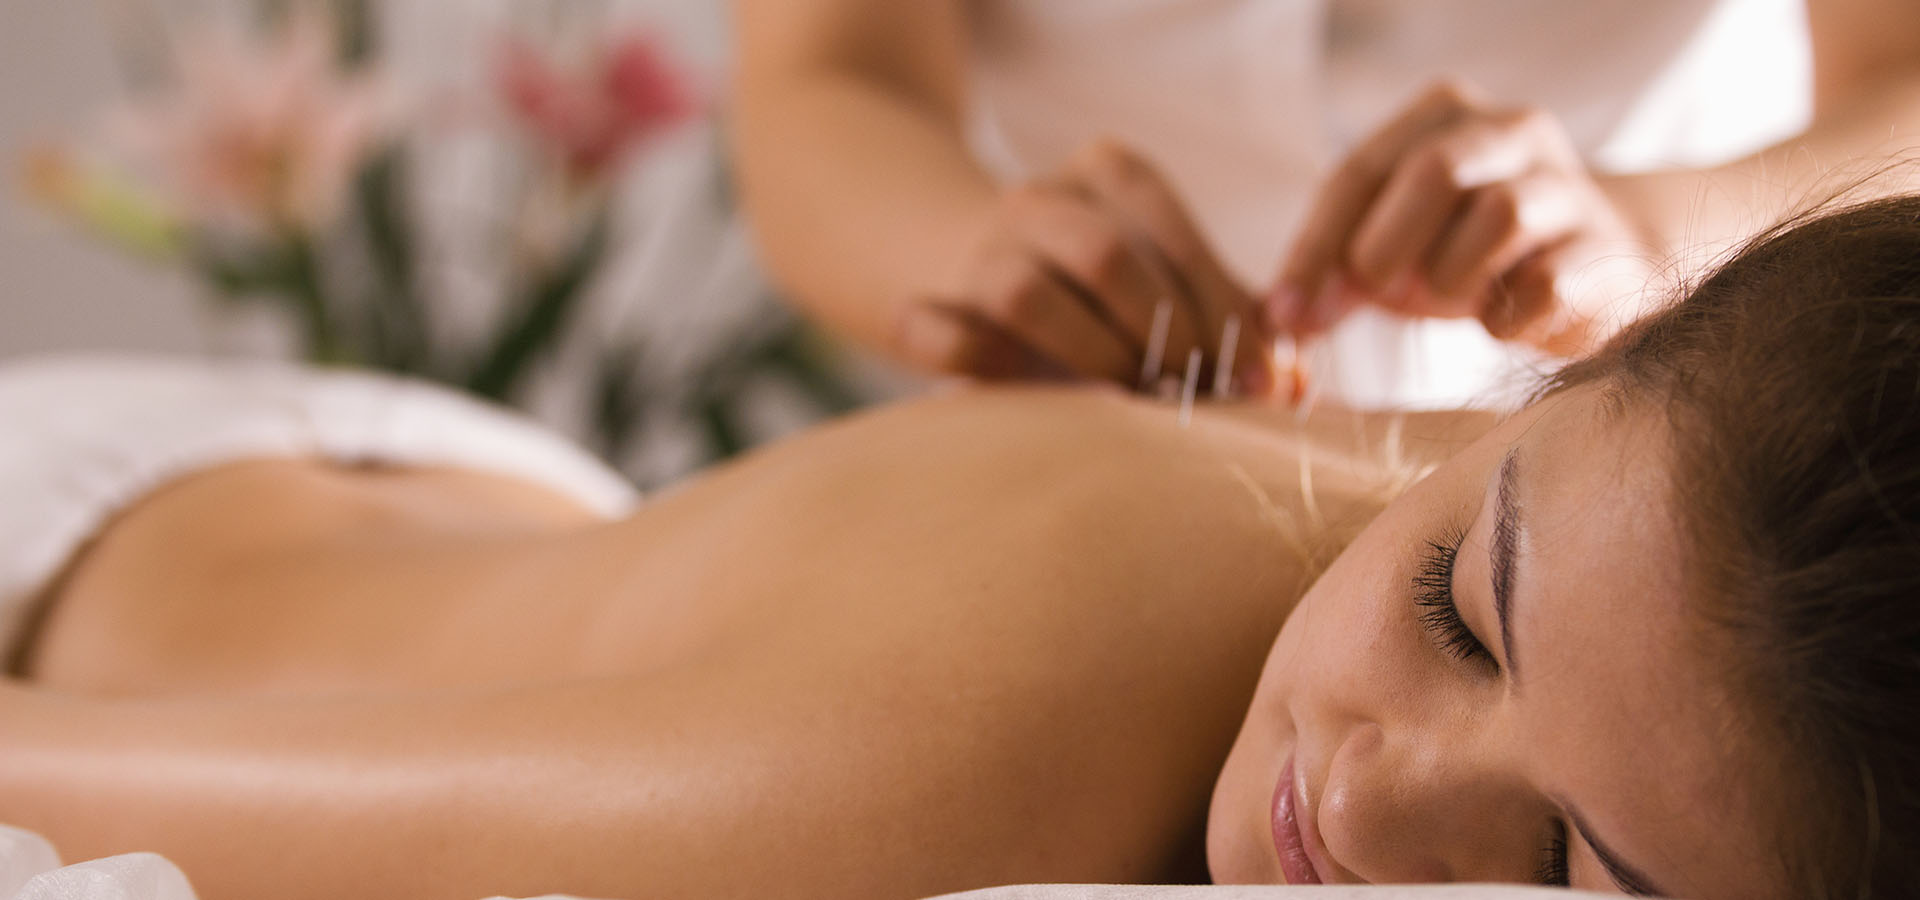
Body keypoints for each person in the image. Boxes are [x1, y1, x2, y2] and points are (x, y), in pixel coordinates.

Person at [4, 194, 1920, 900]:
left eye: (1571, 875)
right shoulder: (927, 776)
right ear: (1544, 386)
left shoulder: (1644, 528)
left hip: (510, 539)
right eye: (1461, 613)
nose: (1374, 795)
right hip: (92, 557)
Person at [729, 0, 1920, 406]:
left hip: (1663, 392)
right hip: (1112, 435)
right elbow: (832, 70)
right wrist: (981, 254)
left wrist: (1658, 239)